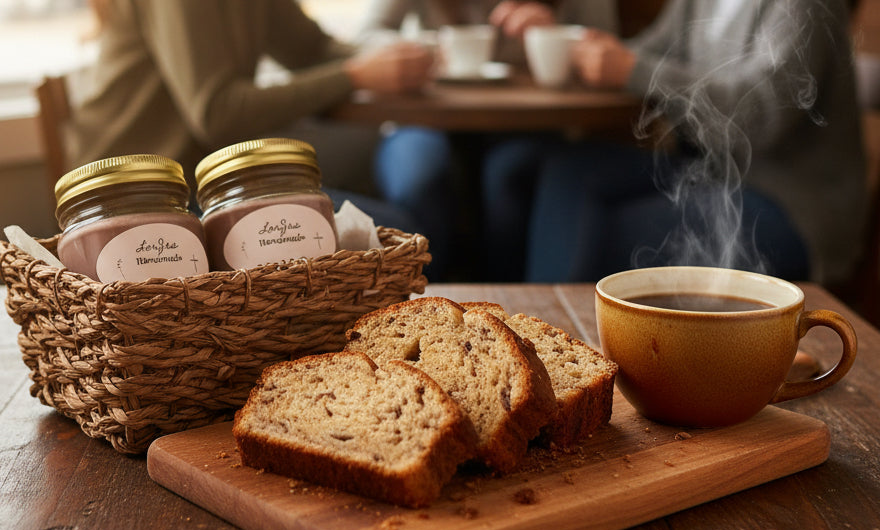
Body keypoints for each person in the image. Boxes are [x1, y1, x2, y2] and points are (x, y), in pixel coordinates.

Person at [510, 0, 868, 287]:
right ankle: (513, 337)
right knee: (558, 171)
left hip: (788, 202)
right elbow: (649, 51)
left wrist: (633, 70)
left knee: (591, 233)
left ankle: (551, 355)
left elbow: (760, 115)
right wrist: (572, 44)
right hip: (709, 173)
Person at [67, 0, 436, 232]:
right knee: (398, 229)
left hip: (206, 176)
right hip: (134, 196)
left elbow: (312, 49)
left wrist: (389, 58)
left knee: (402, 216)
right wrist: (353, 75)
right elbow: (216, 112)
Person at [357, 0, 619, 280]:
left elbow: (609, 52)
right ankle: (424, 298)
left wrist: (557, 36)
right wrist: (418, 49)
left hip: (526, 123)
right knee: (420, 180)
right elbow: (365, 37)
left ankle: (508, 305)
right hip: (426, 119)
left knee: (510, 176)